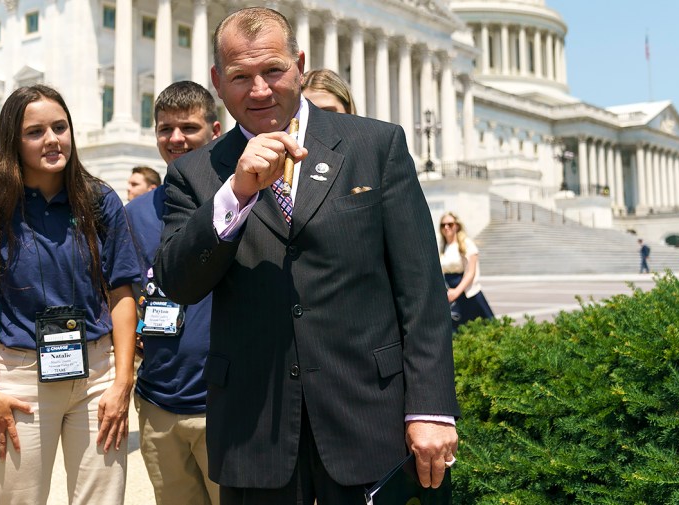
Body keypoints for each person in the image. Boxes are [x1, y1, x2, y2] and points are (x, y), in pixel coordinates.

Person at [155, 8, 459, 504]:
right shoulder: (197, 172)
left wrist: (430, 408)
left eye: (272, 70)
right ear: (216, 81)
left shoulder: (375, 146)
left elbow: (421, 290)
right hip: (255, 428)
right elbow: (177, 283)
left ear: (298, 63)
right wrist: (236, 194)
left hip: (368, 417)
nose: (259, 90)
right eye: (239, 77)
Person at [0, 84, 140, 504]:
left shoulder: (99, 201)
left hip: (98, 374)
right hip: (19, 380)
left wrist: (122, 380)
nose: (52, 140)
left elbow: (121, 292)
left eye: (60, 127)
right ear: (13, 140)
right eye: (35, 132)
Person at [125, 81, 221, 505]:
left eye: (188, 127)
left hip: (226, 403)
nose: (176, 138)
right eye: (166, 129)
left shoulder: (241, 198)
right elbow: (123, 294)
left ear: (215, 131)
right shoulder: (135, 214)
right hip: (158, 402)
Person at [439, 212, 495, 332]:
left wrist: (456, 292)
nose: (446, 227)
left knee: (483, 330)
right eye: (443, 225)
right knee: (457, 332)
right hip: (451, 294)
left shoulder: (466, 244)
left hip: (467, 293)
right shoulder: (443, 246)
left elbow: (470, 273)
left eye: (450, 224)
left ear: (457, 226)